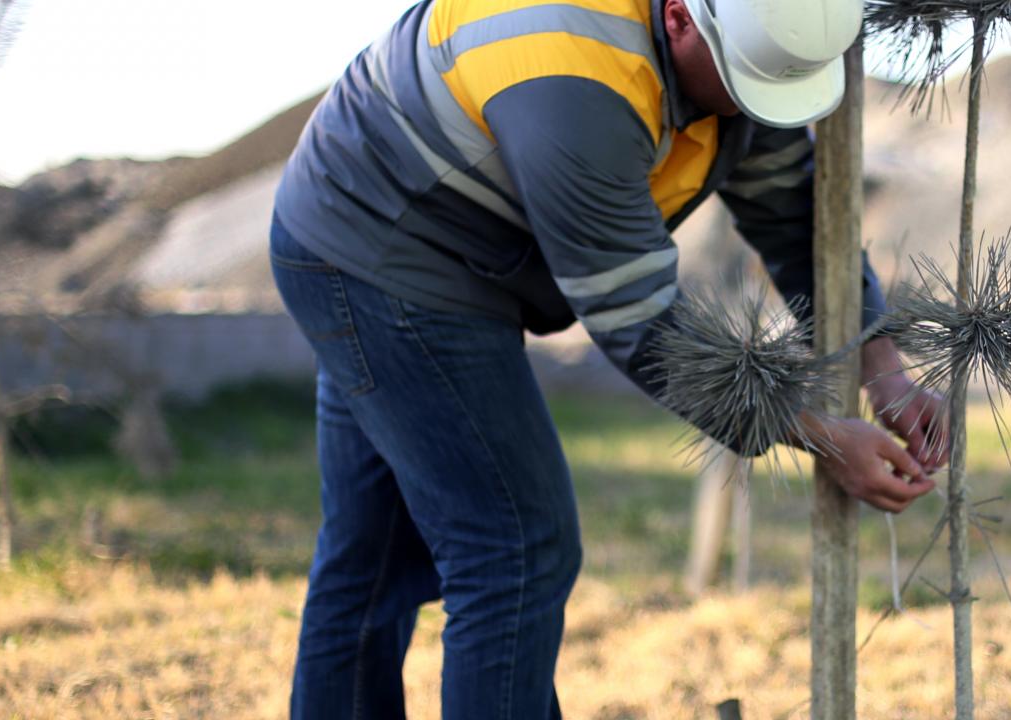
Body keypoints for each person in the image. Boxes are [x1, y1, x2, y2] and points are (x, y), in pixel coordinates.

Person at [268, 0, 949, 716]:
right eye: (747, 82)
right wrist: (819, 434)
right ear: (682, 17)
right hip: (384, 249)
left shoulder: (742, 42)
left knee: (374, 552)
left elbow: (794, 219)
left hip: (404, 230)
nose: (760, 109)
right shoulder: (573, 77)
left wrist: (886, 371)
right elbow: (639, 320)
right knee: (516, 550)